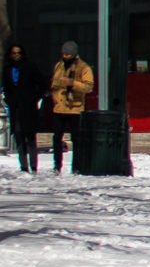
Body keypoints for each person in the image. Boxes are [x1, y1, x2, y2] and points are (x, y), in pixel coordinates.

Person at [45, 41, 94, 173]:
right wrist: (54, 95)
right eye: (63, 54)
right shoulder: (59, 65)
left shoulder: (83, 67)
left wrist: (72, 83)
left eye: (67, 54)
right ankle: (57, 165)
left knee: (76, 139)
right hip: (59, 107)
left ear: (73, 54)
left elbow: (88, 86)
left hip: (75, 108)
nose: (65, 56)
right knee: (57, 137)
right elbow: (54, 83)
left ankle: (76, 166)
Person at [3, 44, 34, 172]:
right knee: (18, 134)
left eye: (18, 53)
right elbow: (6, 86)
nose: (16, 55)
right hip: (15, 106)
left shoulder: (29, 67)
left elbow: (39, 84)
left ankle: (33, 164)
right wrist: (9, 99)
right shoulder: (7, 69)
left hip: (28, 105)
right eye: (13, 53)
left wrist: (34, 98)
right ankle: (24, 165)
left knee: (30, 136)